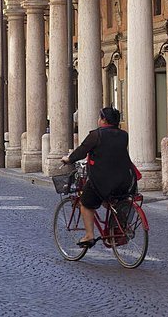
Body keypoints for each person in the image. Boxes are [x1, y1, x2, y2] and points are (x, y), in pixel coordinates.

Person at [61, 106, 136, 249]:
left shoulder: (96, 135)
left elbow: (81, 152)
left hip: (103, 180)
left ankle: (89, 235)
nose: (98, 120)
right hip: (125, 180)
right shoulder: (123, 135)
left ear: (104, 120)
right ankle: (115, 229)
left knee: (86, 202)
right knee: (111, 200)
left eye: (99, 117)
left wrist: (68, 159)